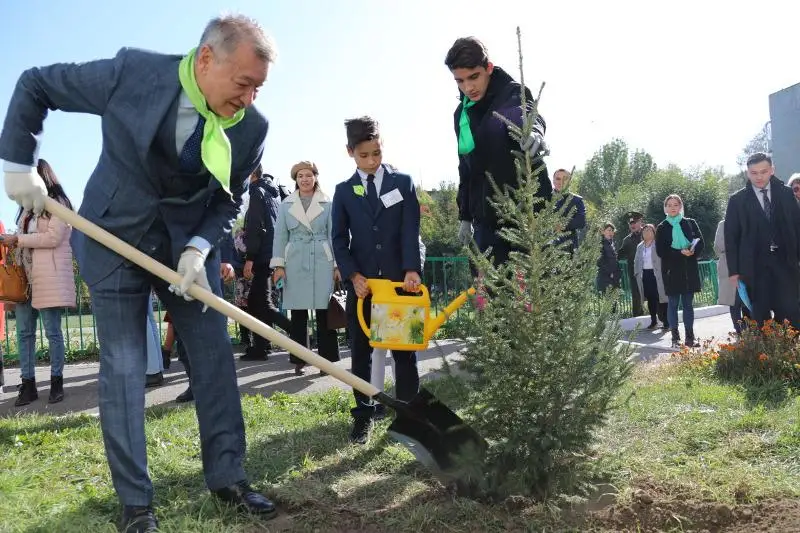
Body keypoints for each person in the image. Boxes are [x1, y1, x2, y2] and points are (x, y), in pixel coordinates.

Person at [0, 15, 278, 530]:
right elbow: (36, 83)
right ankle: (136, 504)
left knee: (215, 359)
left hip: (183, 254)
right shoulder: (132, 74)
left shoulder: (253, 128)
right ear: (206, 60)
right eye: (243, 84)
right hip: (112, 239)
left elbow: (228, 197)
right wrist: (17, 163)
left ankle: (229, 477)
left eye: (258, 87)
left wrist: (198, 247)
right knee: (125, 370)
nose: (249, 98)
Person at [331, 116, 422, 445]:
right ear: (350, 152)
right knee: (362, 352)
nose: (371, 161)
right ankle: (364, 415)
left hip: (400, 285)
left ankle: (410, 416)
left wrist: (412, 268)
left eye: (377, 153)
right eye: (364, 155)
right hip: (365, 288)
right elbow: (339, 240)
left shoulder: (403, 183)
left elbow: (411, 229)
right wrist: (353, 275)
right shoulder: (344, 192)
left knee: (403, 351)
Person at [445, 36, 552, 267]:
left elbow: (526, 112)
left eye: (474, 77)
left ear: (488, 68)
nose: (468, 87)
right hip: (485, 221)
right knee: (489, 294)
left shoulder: (511, 93)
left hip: (524, 215)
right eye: (460, 81)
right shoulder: (461, 116)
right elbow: (466, 169)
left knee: (531, 294)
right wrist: (465, 216)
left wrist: (535, 132)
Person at [2, 159, 75, 406]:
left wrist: (19, 239)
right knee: (24, 333)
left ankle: (56, 383)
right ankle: (28, 385)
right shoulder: (26, 207)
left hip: (48, 277)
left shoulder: (58, 205)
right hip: (26, 278)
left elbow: (54, 237)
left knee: (53, 332)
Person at [271, 161, 341, 375]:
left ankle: (326, 361)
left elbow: (333, 234)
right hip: (295, 260)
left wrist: (337, 265)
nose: (305, 179)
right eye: (300, 176)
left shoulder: (328, 203)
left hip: (322, 259)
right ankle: (299, 359)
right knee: (298, 313)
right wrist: (278, 266)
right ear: (296, 179)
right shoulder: (285, 205)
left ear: (315, 177)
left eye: (308, 175)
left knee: (323, 312)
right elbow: (280, 235)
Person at [725, 152, 800, 328]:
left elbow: (797, 228)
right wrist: (734, 272)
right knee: (759, 315)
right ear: (747, 173)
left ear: (772, 170)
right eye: (754, 173)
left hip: (786, 263)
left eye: (763, 171)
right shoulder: (737, 200)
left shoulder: (787, 194)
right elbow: (731, 237)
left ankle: (791, 352)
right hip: (753, 267)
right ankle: (763, 353)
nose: (759, 177)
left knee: (790, 312)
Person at [656, 194, 704, 348]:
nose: (672, 208)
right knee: (673, 304)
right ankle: (675, 338)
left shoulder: (690, 223)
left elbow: (701, 243)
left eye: (675, 205)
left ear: (680, 206)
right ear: (665, 208)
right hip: (671, 271)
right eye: (669, 205)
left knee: (688, 305)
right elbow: (661, 251)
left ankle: (690, 338)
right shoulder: (662, 227)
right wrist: (679, 252)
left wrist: (692, 251)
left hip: (688, 270)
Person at [714, 218, 748, 334]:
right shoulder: (723, 224)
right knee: (734, 301)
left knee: (748, 299)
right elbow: (718, 247)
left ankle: (750, 329)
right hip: (728, 267)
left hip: (747, 266)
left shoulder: (749, 221)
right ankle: (739, 330)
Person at [633, 224, 668, 329]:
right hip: (645, 275)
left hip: (657, 275)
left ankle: (666, 321)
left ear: (654, 232)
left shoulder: (657, 244)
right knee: (650, 299)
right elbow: (636, 261)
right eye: (644, 230)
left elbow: (664, 258)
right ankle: (653, 321)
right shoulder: (640, 246)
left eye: (649, 230)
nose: (647, 232)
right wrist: (637, 273)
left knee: (661, 297)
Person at [552, 168, 586, 253]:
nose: (561, 182)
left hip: (569, 248)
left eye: (565, 179)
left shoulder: (577, 200)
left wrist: (561, 225)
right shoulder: (544, 198)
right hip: (544, 249)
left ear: (569, 181)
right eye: (558, 179)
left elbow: (581, 221)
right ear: (553, 181)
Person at [618, 212, 645, 317]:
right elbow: (618, 256)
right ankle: (638, 320)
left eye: (634, 222)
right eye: (630, 223)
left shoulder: (648, 234)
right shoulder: (627, 240)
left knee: (654, 294)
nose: (632, 225)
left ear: (640, 222)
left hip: (649, 270)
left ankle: (660, 318)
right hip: (634, 272)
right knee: (636, 296)